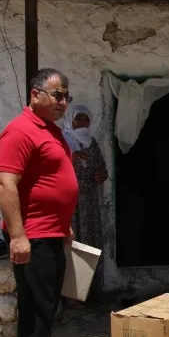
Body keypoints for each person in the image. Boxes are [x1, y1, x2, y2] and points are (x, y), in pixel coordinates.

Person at [0, 68, 84, 337]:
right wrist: (18, 236)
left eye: (66, 96)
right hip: (33, 237)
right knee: (36, 308)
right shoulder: (19, 131)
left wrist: (64, 223)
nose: (63, 102)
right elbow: (7, 185)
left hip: (51, 232)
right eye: (57, 95)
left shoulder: (49, 130)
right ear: (36, 95)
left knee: (46, 306)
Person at [61, 104, 108, 298]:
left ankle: (89, 292)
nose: (81, 122)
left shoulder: (92, 143)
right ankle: (69, 295)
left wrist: (102, 173)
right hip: (68, 202)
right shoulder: (62, 140)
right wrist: (70, 159)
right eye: (77, 118)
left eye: (85, 118)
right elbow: (51, 168)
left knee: (89, 243)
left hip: (88, 200)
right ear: (70, 120)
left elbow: (102, 167)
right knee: (70, 244)